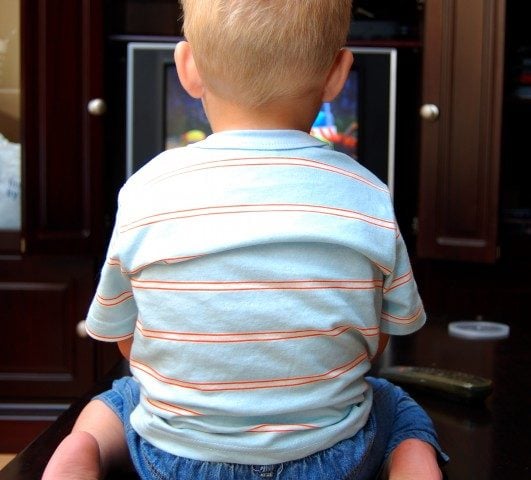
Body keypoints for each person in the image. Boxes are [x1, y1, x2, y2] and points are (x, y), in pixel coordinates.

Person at [43, 0, 448, 478]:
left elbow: (123, 337)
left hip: (175, 460)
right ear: (338, 74)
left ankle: (77, 454)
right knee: (395, 403)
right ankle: (414, 465)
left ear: (187, 68)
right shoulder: (369, 193)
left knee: (118, 399)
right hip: (330, 460)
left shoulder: (145, 189)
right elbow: (380, 335)